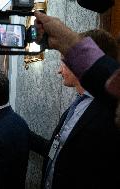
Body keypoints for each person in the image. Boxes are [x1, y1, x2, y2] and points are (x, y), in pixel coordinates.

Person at [30, 28, 120, 189]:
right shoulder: (79, 103)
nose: (59, 70)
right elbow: (61, 150)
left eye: (65, 61)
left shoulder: (110, 109)